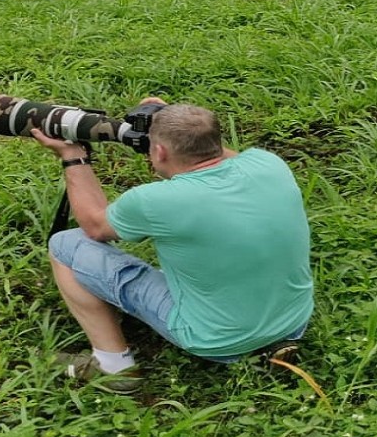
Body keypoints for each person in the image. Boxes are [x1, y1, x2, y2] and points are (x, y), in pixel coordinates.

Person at [29, 101, 313, 394]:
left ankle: (113, 366)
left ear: (160, 151)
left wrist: (73, 155)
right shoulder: (268, 163)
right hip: (293, 323)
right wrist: (185, 122)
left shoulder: (156, 201)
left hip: (217, 340)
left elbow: (94, 226)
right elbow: (214, 152)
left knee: (65, 244)